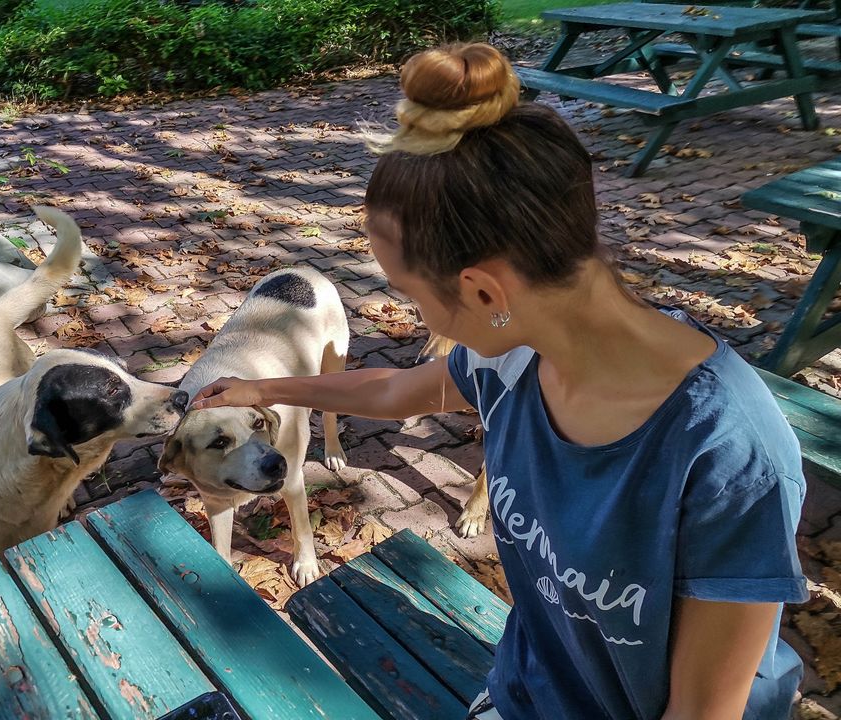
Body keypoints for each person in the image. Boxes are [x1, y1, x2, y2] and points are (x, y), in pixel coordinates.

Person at [190, 43, 808, 720]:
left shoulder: (727, 453)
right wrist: (265, 391)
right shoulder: (516, 356)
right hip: (529, 693)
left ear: (484, 293)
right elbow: (396, 393)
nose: (410, 313)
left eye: (408, 292)